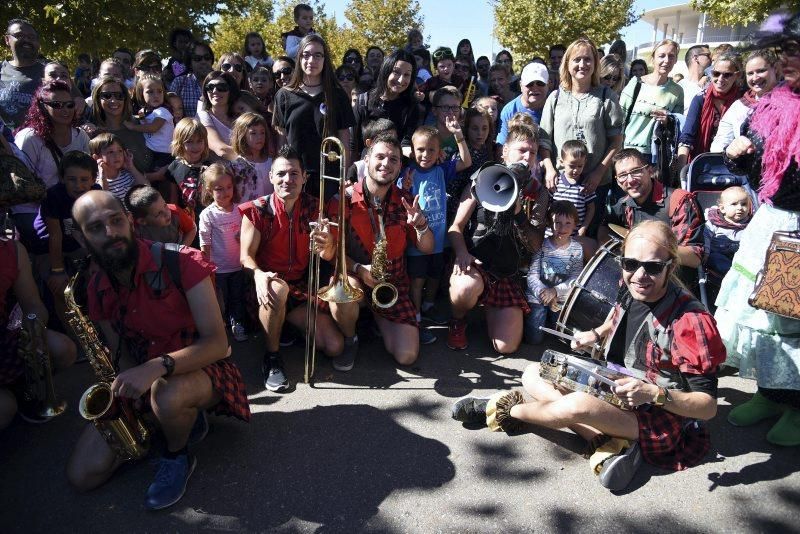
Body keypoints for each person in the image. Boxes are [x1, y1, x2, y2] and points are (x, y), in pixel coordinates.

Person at [452, 220, 726, 491]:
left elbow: (707, 407)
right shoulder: (630, 282)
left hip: (660, 415)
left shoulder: (691, 322)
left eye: (653, 267)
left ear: (671, 266)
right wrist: (595, 334)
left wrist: (652, 393)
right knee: (535, 373)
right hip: (618, 381)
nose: (640, 274)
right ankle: (610, 444)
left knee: (577, 405)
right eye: (631, 263)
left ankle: (506, 409)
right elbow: (616, 317)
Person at [65, 190, 250, 510]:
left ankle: (176, 455)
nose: (110, 233)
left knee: (167, 394)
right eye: (96, 228)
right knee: (83, 476)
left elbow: (218, 345)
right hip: (146, 377)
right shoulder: (95, 287)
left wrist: (157, 367)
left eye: (116, 220)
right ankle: (173, 421)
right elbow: (119, 352)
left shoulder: (182, 261)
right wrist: (124, 393)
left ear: (130, 222)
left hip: (204, 369)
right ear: (82, 239)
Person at [714, 11, 800, 446]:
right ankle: (770, 392)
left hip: (799, 226)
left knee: (792, 317)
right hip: (771, 221)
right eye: (784, 50)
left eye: (795, 52)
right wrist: (737, 154)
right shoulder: (774, 102)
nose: (788, 59)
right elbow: (752, 161)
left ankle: (797, 407)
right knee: (760, 308)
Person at [239, 145, 353, 389]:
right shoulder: (257, 210)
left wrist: (329, 244)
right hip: (266, 285)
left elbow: (329, 255)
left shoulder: (315, 208)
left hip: (300, 288)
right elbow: (245, 258)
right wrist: (258, 275)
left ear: (304, 178)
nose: (287, 180)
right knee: (277, 289)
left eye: (293, 174)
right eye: (280, 174)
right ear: (270, 177)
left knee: (335, 346)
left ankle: (286, 327)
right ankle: (271, 357)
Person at [326, 134, 433, 367]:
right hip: (355, 274)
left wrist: (421, 224)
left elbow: (427, 247)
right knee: (342, 295)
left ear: (399, 167)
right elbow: (331, 252)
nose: (386, 163)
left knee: (407, 356)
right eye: (380, 156)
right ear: (367, 160)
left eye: (394, 159)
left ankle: (375, 317)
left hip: (391, 284)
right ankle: (350, 338)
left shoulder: (406, 201)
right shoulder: (342, 199)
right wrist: (358, 268)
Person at [447, 124, 544, 353]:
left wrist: (520, 214)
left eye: (532, 152)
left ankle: (489, 308)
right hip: (477, 264)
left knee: (506, 347)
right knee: (464, 290)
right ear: (505, 151)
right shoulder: (482, 178)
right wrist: (462, 253)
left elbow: (535, 245)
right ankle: (458, 320)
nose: (527, 157)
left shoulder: (537, 191)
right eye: (522, 150)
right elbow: (456, 227)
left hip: (507, 272)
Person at [539, 38, 624, 238]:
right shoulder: (555, 97)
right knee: (557, 236)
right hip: (561, 183)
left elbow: (616, 141)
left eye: (588, 59)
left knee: (586, 237)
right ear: (567, 64)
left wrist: (598, 172)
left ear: (595, 64)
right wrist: (549, 169)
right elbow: (544, 139)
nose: (582, 65)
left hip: (593, 183)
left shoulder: (605, 96)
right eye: (577, 59)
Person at [405, 123, 472, 344]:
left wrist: (458, 135)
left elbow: (466, 162)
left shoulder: (441, 170)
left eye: (431, 150)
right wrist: (404, 186)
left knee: (435, 276)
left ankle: (428, 305)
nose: (425, 154)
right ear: (413, 149)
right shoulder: (408, 172)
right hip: (416, 240)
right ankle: (416, 317)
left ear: (439, 151)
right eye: (420, 150)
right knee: (417, 279)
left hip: (440, 240)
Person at [0, 237, 76, 429]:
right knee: (5, 409)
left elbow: (33, 305)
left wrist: (34, 330)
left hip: (5, 336)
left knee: (64, 349)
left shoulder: (12, 251)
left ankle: (22, 387)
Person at [272, 34, 354, 200]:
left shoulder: (337, 95)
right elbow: (281, 141)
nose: (311, 60)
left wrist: (343, 177)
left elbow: (344, 139)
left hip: (329, 177)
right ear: (299, 58)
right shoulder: (283, 95)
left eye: (318, 55)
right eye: (306, 55)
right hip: (294, 178)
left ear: (325, 59)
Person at [13, 81, 90, 252]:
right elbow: (22, 184)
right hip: (33, 208)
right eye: (56, 105)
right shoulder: (29, 138)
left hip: (71, 204)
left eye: (69, 105)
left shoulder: (81, 136)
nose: (65, 110)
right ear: (42, 107)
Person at [600, 148, 703, 270]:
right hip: (637, 274)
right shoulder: (622, 205)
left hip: (675, 278)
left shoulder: (679, 200)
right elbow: (604, 229)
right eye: (623, 175)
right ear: (617, 181)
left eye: (636, 171)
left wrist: (647, 246)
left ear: (649, 171)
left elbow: (694, 257)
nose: (630, 180)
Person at [34, 151, 101, 326]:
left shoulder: (96, 193)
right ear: (62, 178)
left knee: (99, 278)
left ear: (93, 180)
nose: (78, 185)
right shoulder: (54, 196)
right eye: (71, 179)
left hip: (81, 243)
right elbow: (55, 235)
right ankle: (71, 331)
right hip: (51, 247)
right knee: (60, 290)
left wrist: (96, 259)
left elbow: (96, 230)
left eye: (84, 179)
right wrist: (57, 271)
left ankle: (98, 323)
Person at [523, 200, 583, 345]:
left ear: (575, 224)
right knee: (534, 339)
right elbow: (532, 275)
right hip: (539, 297)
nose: (562, 228)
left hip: (560, 297)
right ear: (550, 223)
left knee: (562, 337)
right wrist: (543, 293)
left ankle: (551, 318)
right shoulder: (542, 245)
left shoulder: (576, 249)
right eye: (558, 223)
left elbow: (575, 277)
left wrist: (555, 292)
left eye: (568, 223)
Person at [198, 163, 246, 342]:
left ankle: (238, 324)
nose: (225, 192)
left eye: (229, 187)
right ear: (209, 190)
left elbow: (247, 234)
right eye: (219, 189)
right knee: (220, 300)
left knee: (238, 297)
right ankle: (221, 328)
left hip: (238, 266)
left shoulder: (240, 210)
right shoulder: (207, 214)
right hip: (219, 269)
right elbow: (205, 241)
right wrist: (207, 267)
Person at [620, 40, 684, 161]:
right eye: (661, 56)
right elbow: (618, 121)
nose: (666, 60)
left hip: (657, 156)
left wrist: (668, 120)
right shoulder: (635, 84)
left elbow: (677, 128)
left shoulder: (678, 91)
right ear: (653, 59)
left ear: (675, 60)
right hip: (628, 153)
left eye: (671, 56)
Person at [676, 53, 743, 167]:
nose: (720, 79)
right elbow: (687, 137)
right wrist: (681, 171)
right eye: (716, 74)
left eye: (727, 75)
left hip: (733, 165)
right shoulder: (700, 99)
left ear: (737, 75)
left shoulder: (743, 101)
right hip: (701, 164)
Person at [352, 50, 419, 157]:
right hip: (364, 167)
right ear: (386, 71)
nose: (401, 80)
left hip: (396, 168)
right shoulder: (363, 101)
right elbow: (353, 143)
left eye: (407, 75)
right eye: (396, 72)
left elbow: (406, 142)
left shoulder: (411, 107)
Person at [710, 49, 779, 153]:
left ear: (776, 70)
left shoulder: (793, 103)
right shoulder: (739, 107)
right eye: (750, 73)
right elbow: (719, 145)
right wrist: (731, 151)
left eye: (761, 71)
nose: (755, 78)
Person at [88, 76, 154, 173]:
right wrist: (155, 176)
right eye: (107, 96)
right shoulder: (94, 134)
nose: (113, 100)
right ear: (98, 99)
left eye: (119, 95)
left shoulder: (141, 123)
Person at [548, 140, 596, 242]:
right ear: (562, 162)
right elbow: (547, 207)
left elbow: (591, 209)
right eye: (572, 166)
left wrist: (584, 228)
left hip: (574, 236)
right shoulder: (555, 183)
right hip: (553, 233)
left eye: (580, 166)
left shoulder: (585, 185)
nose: (576, 170)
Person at [1, 19, 44, 130]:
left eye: (31, 37)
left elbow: (77, 101)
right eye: (19, 35)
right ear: (7, 39)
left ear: (38, 43)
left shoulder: (52, 73)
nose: (26, 40)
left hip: (38, 144)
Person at [125, 74, 175, 168]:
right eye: (150, 92)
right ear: (141, 94)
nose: (156, 95)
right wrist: (143, 118)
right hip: (151, 152)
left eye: (159, 91)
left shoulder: (163, 111)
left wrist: (133, 127)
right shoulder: (148, 112)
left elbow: (153, 128)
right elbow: (147, 125)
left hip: (164, 154)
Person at [125, 184, 197, 246]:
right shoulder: (134, 229)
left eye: (165, 205)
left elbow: (192, 229)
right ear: (142, 221)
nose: (167, 213)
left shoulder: (175, 212)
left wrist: (181, 250)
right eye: (159, 213)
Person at [496, 63, 549, 147]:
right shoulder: (509, 110)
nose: (535, 88)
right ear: (521, 85)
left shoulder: (556, 106)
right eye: (529, 84)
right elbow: (502, 147)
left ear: (548, 85)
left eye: (540, 83)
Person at [703, 185, 752, 274]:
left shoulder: (751, 223)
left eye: (744, 204)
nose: (740, 208)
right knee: (715, 258)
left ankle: (746, 275)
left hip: (740, 257)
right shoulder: (714, 222)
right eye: (734, 204)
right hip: (719, 254)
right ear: (722, 209)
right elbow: (705, 236)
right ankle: (734, 273)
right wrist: (705, 251)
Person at [228, 112, 274, 202]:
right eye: (253, 133)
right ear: (242, 135)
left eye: (262, 133)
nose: (259, 137)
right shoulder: (235, 167)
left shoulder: (272, 163)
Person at [89, 133, 147, 202]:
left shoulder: (127, 174)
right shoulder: (96, 180)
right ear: (97, 157)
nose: (117, 155)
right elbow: (103, 200)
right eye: (110, 152)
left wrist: (131, 167)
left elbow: (146, 187)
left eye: (120, 151)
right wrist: (103, 175)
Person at [197, 71, 240, 160]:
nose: (215, 91)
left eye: (221, 87)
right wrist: (248, 163)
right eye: (210, 87)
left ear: (231, 90)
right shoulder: (203, 116)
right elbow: (220, 149)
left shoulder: (240, 116)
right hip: (217, 171)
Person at [169, 41, 215, 118]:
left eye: (207, 57)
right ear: (190, 63)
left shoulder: (221, 82)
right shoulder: (179, 83)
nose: (203, 61)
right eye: (197, 59)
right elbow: (169, 112)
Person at [678, 45, 712, 110]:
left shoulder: (712, 83)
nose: (711, 58)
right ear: (696, 58)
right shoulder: (680, 88)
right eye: (708, 55)